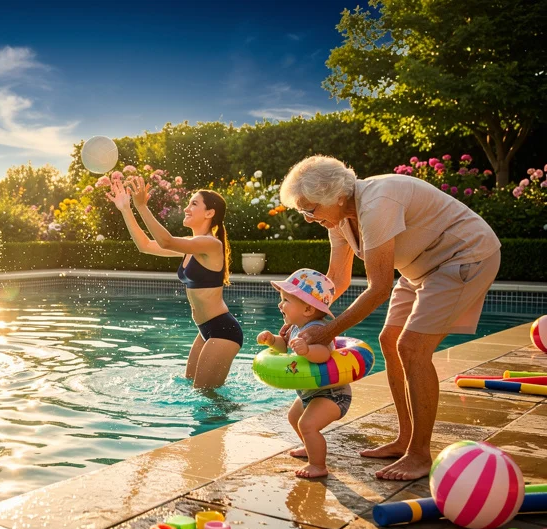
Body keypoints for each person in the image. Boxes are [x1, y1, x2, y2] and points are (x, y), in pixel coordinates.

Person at [279, 155, 501, 480]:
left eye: (310, 209)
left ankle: (419, 455)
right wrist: (301, 316)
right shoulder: (338, 219)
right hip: (420, 267)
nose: (309, 218)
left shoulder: (377, 203)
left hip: (464, 255)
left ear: (336, 196)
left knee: (412, 348)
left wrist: (326, 332)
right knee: (390, 339)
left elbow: (380, 288)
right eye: (303, 211)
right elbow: (336, 280)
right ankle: (405, 439)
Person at [107, 175, 242, 388]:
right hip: (205, 329)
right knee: (192, 387)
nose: (187, 208)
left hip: (222, 330)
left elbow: (166, 241)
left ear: (209, 213)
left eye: (194, 204)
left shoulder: (211, 244)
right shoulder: (191, 245)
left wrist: (142, 206)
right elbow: (145, 245)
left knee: (206, 395)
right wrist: (126, 209)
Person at [258, 269, 349, 478]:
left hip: (332, 394)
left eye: (286, 300)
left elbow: (324, 354)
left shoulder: (318, 330)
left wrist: (308, 350)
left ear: (308, 309)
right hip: (311, 392)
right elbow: (285, 347)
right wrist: (272, 340)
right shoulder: (294, 328)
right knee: (294, 417)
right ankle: (310, 447)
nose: (280, 305)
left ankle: (318, 465)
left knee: (307, 425)